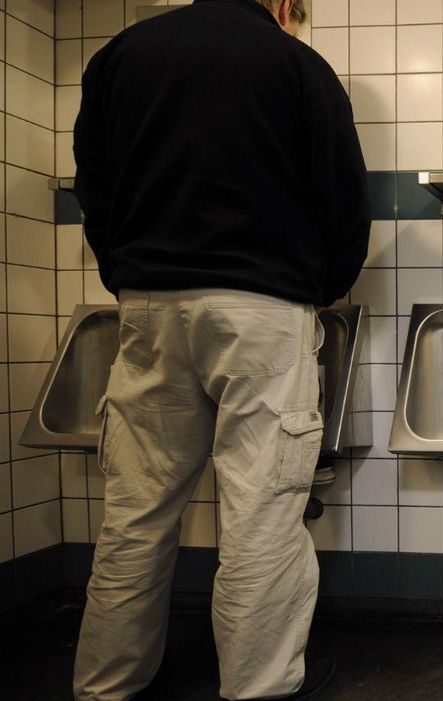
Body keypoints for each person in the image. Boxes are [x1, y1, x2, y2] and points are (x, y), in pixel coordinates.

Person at [71, 1, 370, 700]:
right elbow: (343, 202)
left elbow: (97, 186)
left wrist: (129, 273)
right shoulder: (298, 66)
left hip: (150, 305)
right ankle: (255, 686)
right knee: (262, 509)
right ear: (282, 4)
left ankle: (106, 685)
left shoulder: (121, 57)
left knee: (135, 512)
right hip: (261, 309)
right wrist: (316, 288)